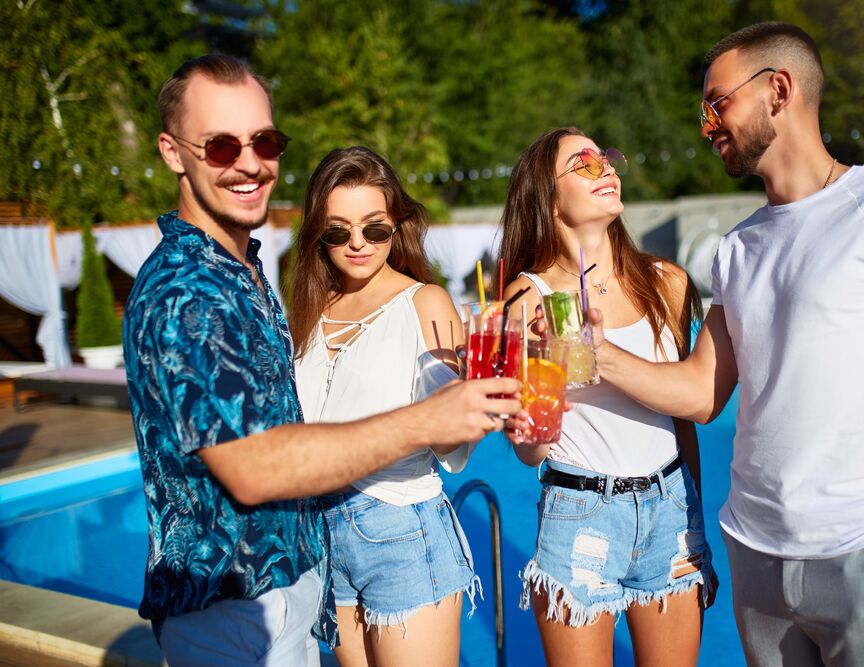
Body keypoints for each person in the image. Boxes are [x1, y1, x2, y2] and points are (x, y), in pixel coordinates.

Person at [589, 22, 864, 666]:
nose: (707, 124)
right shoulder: (738, 247)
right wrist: (593, 352)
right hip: (757, 561)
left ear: (779, 89)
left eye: (717, 103)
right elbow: (700, 392)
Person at [123, 54, 521, 667]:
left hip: (360, 550)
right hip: (240, 601)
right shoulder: (191, 292)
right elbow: (254, 466)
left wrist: (477, 391)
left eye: (264, 140)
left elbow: (449, 420)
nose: (249, 161)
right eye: (221, 146)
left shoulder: (245, 275)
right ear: (173, 152)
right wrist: (425, 419)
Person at [498, 127, 715, 667]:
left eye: (607, 159)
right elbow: (532, 448)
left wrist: (696, 519)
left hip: (671, 507)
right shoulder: (530, 297)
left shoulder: (666, 282)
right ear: (548, 199)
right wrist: (526, 429)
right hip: (580, 511)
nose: (607, 169)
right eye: (584, 164)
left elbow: (684, 413)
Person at [289, 146, 478, 666]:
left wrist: (470, 396)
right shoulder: (310, 311)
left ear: (397, 225)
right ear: (317, 235)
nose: (357, 243)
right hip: (324, 530)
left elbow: (451, 441)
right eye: (338, 231)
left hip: (399, 527)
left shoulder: (425, 302)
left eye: (374, 228)